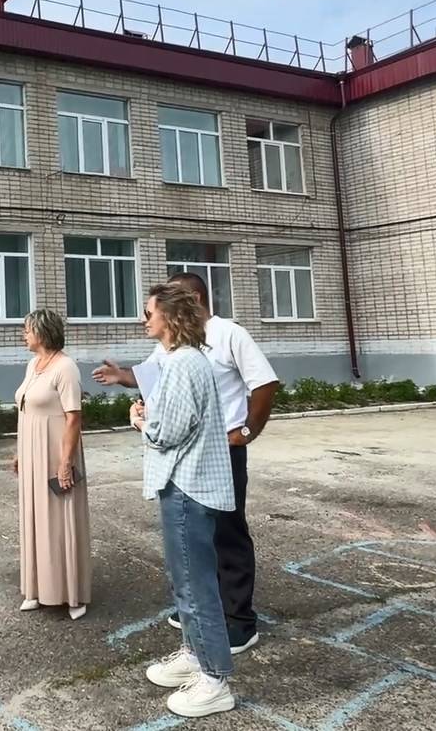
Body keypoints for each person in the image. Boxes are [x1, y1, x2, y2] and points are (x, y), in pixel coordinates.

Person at [95, 272, 280, 653]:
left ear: (192, 299)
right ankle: (200, 608)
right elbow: (151, 376)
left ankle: (238, 620)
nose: (149, 314)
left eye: (165, 300)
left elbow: (264, 384)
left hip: (220, 448)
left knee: (226, 532)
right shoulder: (176, 347)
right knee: (195, 536)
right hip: (185, 453)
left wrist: (246, 432)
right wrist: (122, 377)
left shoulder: (228, 334)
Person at [132, 282, 237, 718]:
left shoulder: (183, 363)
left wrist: (141, 421)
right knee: (185, 581)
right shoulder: (184, 360)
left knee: (195, 585)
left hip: (187, 486)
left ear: (171, 317)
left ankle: (214, 680)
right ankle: (195, 656)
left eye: (149, 312)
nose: (144, 319)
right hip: (186, 483)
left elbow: (169, 432)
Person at [10, 308, 92, 620]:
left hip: (56, 454)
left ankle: (72, 594)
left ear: (42, 333)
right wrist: (20, 452)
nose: (24, 335)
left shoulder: (65, 367)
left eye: (27, 329)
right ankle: (37, 589)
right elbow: (27, 410)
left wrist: (65, 463)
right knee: (35, 519)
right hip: (32, 453)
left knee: (61, 521)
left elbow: (74, 418)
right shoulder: (33, 365)